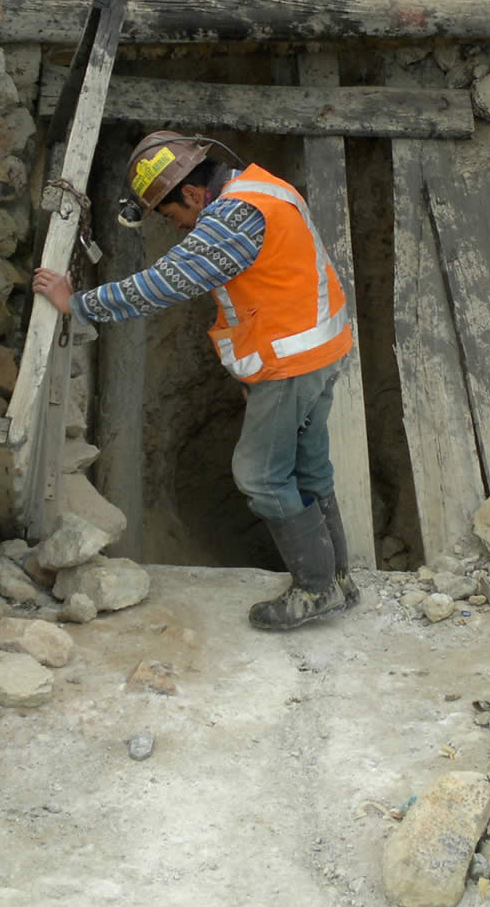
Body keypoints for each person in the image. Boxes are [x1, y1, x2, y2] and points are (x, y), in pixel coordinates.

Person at [32, 131, 360, 630]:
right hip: (316, 352)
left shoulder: (232, 217)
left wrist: (77, 303)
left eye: (171, 216)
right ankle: (339, 580)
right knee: (309, 467)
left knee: (262, 477)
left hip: (289, 364)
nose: (181, 227)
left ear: (190, 193)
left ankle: (316, 590)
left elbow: (167, 282)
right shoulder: (263, 187)